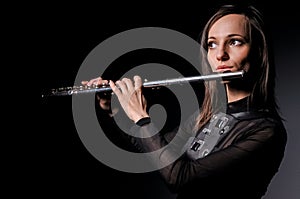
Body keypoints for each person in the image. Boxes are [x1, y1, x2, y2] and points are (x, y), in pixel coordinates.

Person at [82, 4, 287, 199]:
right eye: (212, 44)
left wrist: (141, 116)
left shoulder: (266, 131)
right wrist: (115, 109)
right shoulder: (208, 115)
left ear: (259, 51)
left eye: (234, 41)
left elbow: (178, 177)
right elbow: (158, 149)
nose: (220, 55)